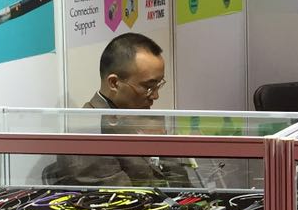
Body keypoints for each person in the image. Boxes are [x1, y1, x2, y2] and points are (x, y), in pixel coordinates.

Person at [47, 33, 192, 187]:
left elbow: (181, 183)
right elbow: (123, 198)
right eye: (148, 87)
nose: (155, 96)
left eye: (158, 85)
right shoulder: (86, 135)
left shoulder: (139, 116)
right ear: (114, 83)